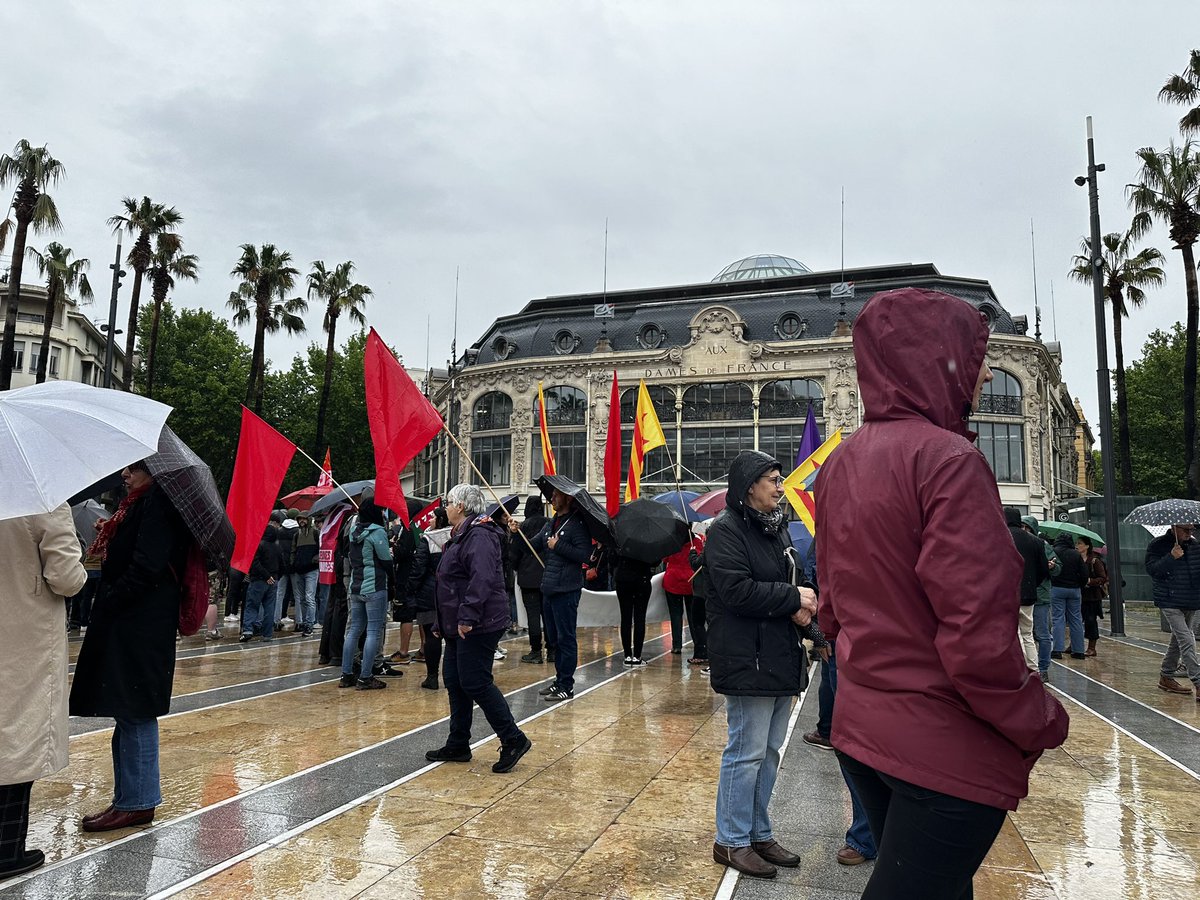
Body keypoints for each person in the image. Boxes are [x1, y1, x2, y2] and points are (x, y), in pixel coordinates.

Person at [815, 287, 1069, 900]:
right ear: (935, 359)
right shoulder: (949, 459)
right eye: (971, 355)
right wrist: (1036, 717)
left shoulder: (840, 463)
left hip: (863, 728)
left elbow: (831, 610)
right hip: (938, 743)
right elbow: (977, 633)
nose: (982, 374)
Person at [706, 449, 819, 879]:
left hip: (779, 655)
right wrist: (795, 600)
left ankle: (758, 831)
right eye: (772, 478)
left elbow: (793, 583)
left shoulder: (777, 529)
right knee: (745, 752)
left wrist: (811, 624)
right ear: (750, 485)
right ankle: (731, 841)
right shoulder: (727, 530)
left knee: (769, 752)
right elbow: (737, 590)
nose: (779, 485)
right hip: (746, 658)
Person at [71, 462, 193, 832]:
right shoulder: (140, 504)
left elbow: (147, 566)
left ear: (154, 472)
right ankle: (129, 798)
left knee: (135, 707)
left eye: (134, 468)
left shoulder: (159, 503)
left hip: (140, 623)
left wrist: (109, 600)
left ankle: (137, 802)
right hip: (135, 621)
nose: (125, 474)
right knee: (128, 708)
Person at [0, 504, 88, 879]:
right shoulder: (39, 498)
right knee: (19, 736)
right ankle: (6, 850)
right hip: (22, 634)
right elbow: (66, 578)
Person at [424, 484, 532, 773]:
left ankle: (513, 738)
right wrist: (441, 622)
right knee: (455, 681)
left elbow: (481, 579)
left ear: (460, 506)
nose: (444, 507)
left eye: (448, 502)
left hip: (480, 623)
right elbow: (449, 583)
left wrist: (467, 617)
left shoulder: (480, 535)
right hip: (457, 623)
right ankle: (458, 742)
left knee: (474, 681)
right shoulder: (461, 535)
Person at [531, 488, 593, 702]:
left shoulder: (577, 525)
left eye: (556, 495)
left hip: (566, 589)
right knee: (555, 639)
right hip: (549, 587)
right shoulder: (551, 523)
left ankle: (567, 685)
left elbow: (585, 555)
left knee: (566, 638)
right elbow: (534, 544)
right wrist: (514, 531)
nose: (552, 498)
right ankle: (559, 680)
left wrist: (559, 545)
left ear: (567, 498)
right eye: (552, 495)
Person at [339, 500, 393, 690]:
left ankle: (346, 674)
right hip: (375, 586)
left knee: (354, 630)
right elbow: (386, 560)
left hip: (356, 585)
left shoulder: (354, 532)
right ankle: (365, 676)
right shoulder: (377, 532)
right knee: (373, 632)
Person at [1146, 523, 1200, 698]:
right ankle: (1198, 681)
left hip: (1191, 599)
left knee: (1178, 638)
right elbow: (1153, 570)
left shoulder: (1194, 545)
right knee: (1186, 637)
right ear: (1174, 527)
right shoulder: (1158, 544)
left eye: (1191, 530)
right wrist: (1171, 556)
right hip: (1169, 599)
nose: (1189, 533)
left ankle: (1166, 675)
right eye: (1185, 530)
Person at [410, 506, 451, 689]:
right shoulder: (457, 536)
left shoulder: (428, 539)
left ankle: (432, 677)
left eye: (433, 517)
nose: (430, 520)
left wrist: (411, 589)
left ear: (440, 519)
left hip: (429, 593)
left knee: (431, 635)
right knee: (451, 637)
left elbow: (419, 567)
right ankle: (452, 677)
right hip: (451, 592)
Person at [1005, 507, 1050, 672]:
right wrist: (1032, 585)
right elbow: (1044, 570)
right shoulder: (1035, 541)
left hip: (1006, 594)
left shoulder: (1001, 538)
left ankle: (1019, 669)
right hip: (1029, 594)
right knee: (1027, 633)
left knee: (1013, 633)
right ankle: (1033, 668)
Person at [511, 495, 551, 664]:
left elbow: (515, 553)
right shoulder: (549, 523)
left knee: (533, 616)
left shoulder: (522, 527)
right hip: (547, 576)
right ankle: (552, 650)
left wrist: (516, 567)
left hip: (528, 578)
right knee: (548, 615)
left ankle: (536, 650)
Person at [1023, 517, 1059, 682]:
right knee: (1026, 634)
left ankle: (1043, 668)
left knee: (1042, 634)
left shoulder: (1043, 546)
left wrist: (1052, 567)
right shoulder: (1020, 542)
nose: (1024, 530)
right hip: (1026, 595)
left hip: (1040, 596)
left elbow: (1058, 568)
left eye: (1026, 527)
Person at [663, 531, 705, 659]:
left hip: (672, 581)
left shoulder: (671, 542)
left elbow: (665, 559)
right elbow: (699, 562)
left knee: (675, 615)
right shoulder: (696, 542)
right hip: (690, 582)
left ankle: (676, 645)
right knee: (693, 617)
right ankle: (697, 643)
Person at [1050, 533, 1088, 660]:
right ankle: (1079, 651)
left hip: (1057, 588)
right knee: (1076, 619)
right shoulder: (1076, 554)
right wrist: (1079, 586)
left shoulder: (1054, 552)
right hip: (1074, 590)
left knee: (1058, 619)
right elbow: (1084, 573)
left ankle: (1057, 650)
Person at [240, 525, 282, 642]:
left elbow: (255, 563)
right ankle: (267, 634)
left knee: (252, 605)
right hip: (274, 580)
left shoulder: (259, 545)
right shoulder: (277, 547)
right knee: (269, 607)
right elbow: (283, 564)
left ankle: (248, 630)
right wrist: (274, 577)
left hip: (259, 580)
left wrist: (266, 576)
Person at [614, 552, 656, 666]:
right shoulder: (647, 542)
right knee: (640, 619)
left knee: (625, 618)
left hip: (623, 581)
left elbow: (612, 560)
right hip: (641, 580)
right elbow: (655, 561)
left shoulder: (620, 540)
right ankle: (637, 656)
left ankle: (627, 655)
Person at [290, 510, 320, 635]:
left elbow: (321, 548)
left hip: (311, 570)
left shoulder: (315, 533)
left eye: (304, 519)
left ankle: (309, 623)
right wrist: (293, 563)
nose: (302, 521)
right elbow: (293, 551)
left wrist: (314, 560)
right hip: (299, 570)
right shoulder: (297, 535)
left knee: (309, 597)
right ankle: (305, 623)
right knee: (302, 598)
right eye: (300, 519)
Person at [1077, 536, 1107, 658]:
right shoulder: (1077, 559)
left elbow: (1102, 578)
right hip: (1079, 594)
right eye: (1077, 543)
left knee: (1090, 621)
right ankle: (1075, 644)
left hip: (1092, 597)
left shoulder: (1094, 561)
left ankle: (1091, 647)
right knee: (1077, 621)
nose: (1077, 545)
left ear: (1087, 546)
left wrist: (1090, 581)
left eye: (1080, 543)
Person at [687, 535, 709, 665]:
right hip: (712, 594)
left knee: (698, 624)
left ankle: (701, 653)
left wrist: (693, 552)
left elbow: (696, 564)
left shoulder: (709, 550)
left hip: (701, 593)